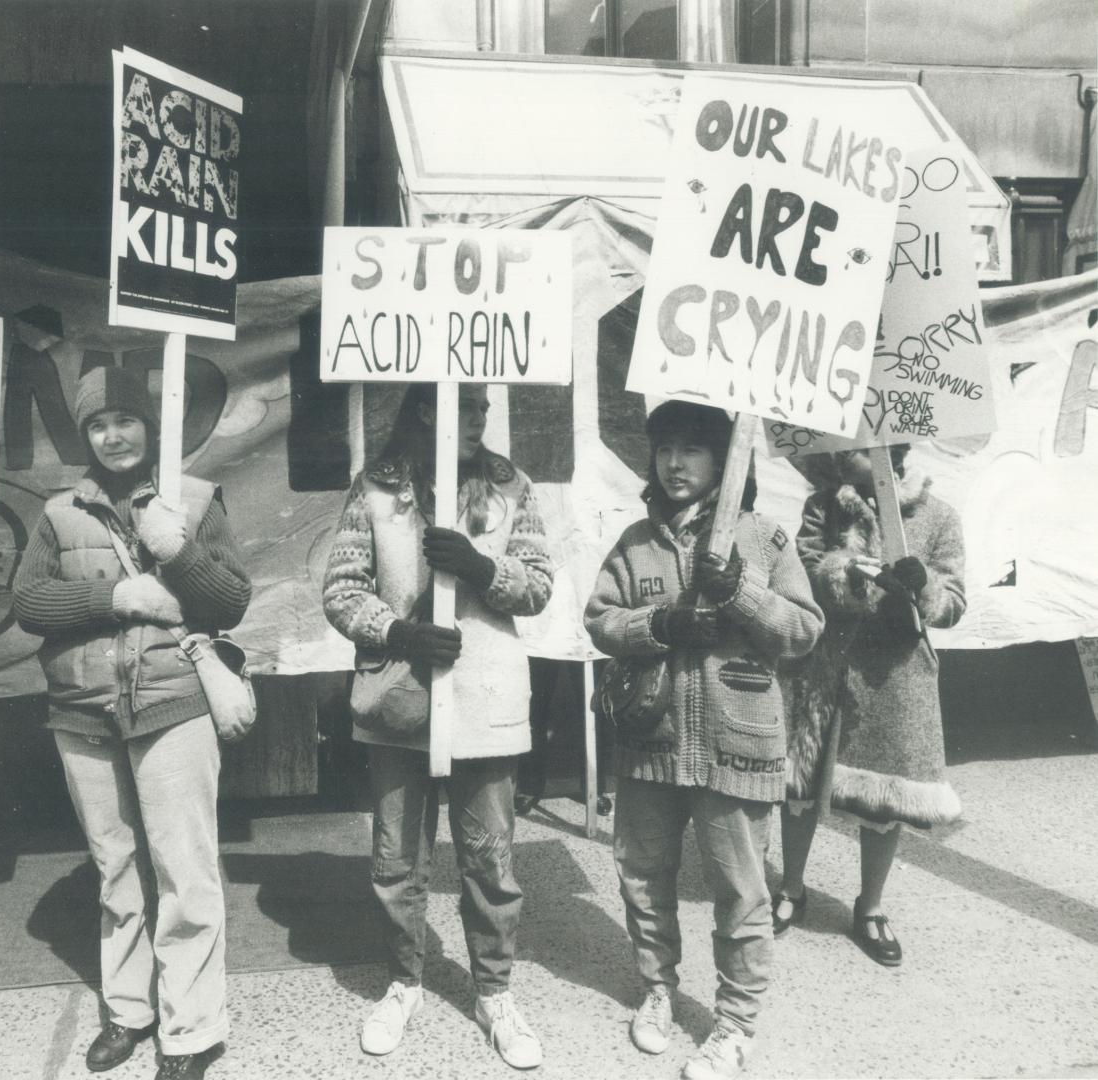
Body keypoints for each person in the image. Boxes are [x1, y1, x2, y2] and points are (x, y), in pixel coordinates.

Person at [12, 367, 251, 1080]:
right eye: (97, 423)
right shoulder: (58, 515)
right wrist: (120, 595)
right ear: (84, 435)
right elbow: (29, 603)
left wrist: (174, 550)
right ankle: (128, 1012)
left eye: (126, 419)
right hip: (83, 713)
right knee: (116, 871)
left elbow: (230, 600)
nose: (113, 435)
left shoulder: (196, 500)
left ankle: (191, 1028)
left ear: (152, 426)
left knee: (185, 870)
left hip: (173, 707)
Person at [584, 401, 823, 1080]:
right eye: (664, 449)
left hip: (738, 741)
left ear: (725, 459)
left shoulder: (766, 541)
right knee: (642, 875)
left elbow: (805, 632)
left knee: (741, 888)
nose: (674, 463)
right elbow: (599, 619)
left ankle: (736, 1023)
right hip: (650, 740)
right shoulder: (635, 541)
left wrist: (742, 592)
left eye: (692, 450)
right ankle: (658, 990)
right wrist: (659, 624)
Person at [322, 383, 553, 1071]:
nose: (478, 418)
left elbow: (540, 583)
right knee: (397, 860)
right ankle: (405, 981)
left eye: (484, 407)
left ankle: (494, 992)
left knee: (489, 858)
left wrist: (483, 569)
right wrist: (399, 632)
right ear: (427, 408)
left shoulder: (512, 487)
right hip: (401, 705)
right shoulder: (377, 488)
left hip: (486, 699)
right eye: (465, 406)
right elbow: (340, 588)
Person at [774, 446, 964, 966]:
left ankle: (872, 906)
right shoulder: (824, 506)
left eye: (864, 444)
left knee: (885, 797)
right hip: (826, 662)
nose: (849, 452)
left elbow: (954, 602)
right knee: (801, 784)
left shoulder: (939, 514)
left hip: (896, 675)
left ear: (895, 449)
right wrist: (849, 573)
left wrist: (922, 586)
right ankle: (791, 888)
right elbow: (804, 570)